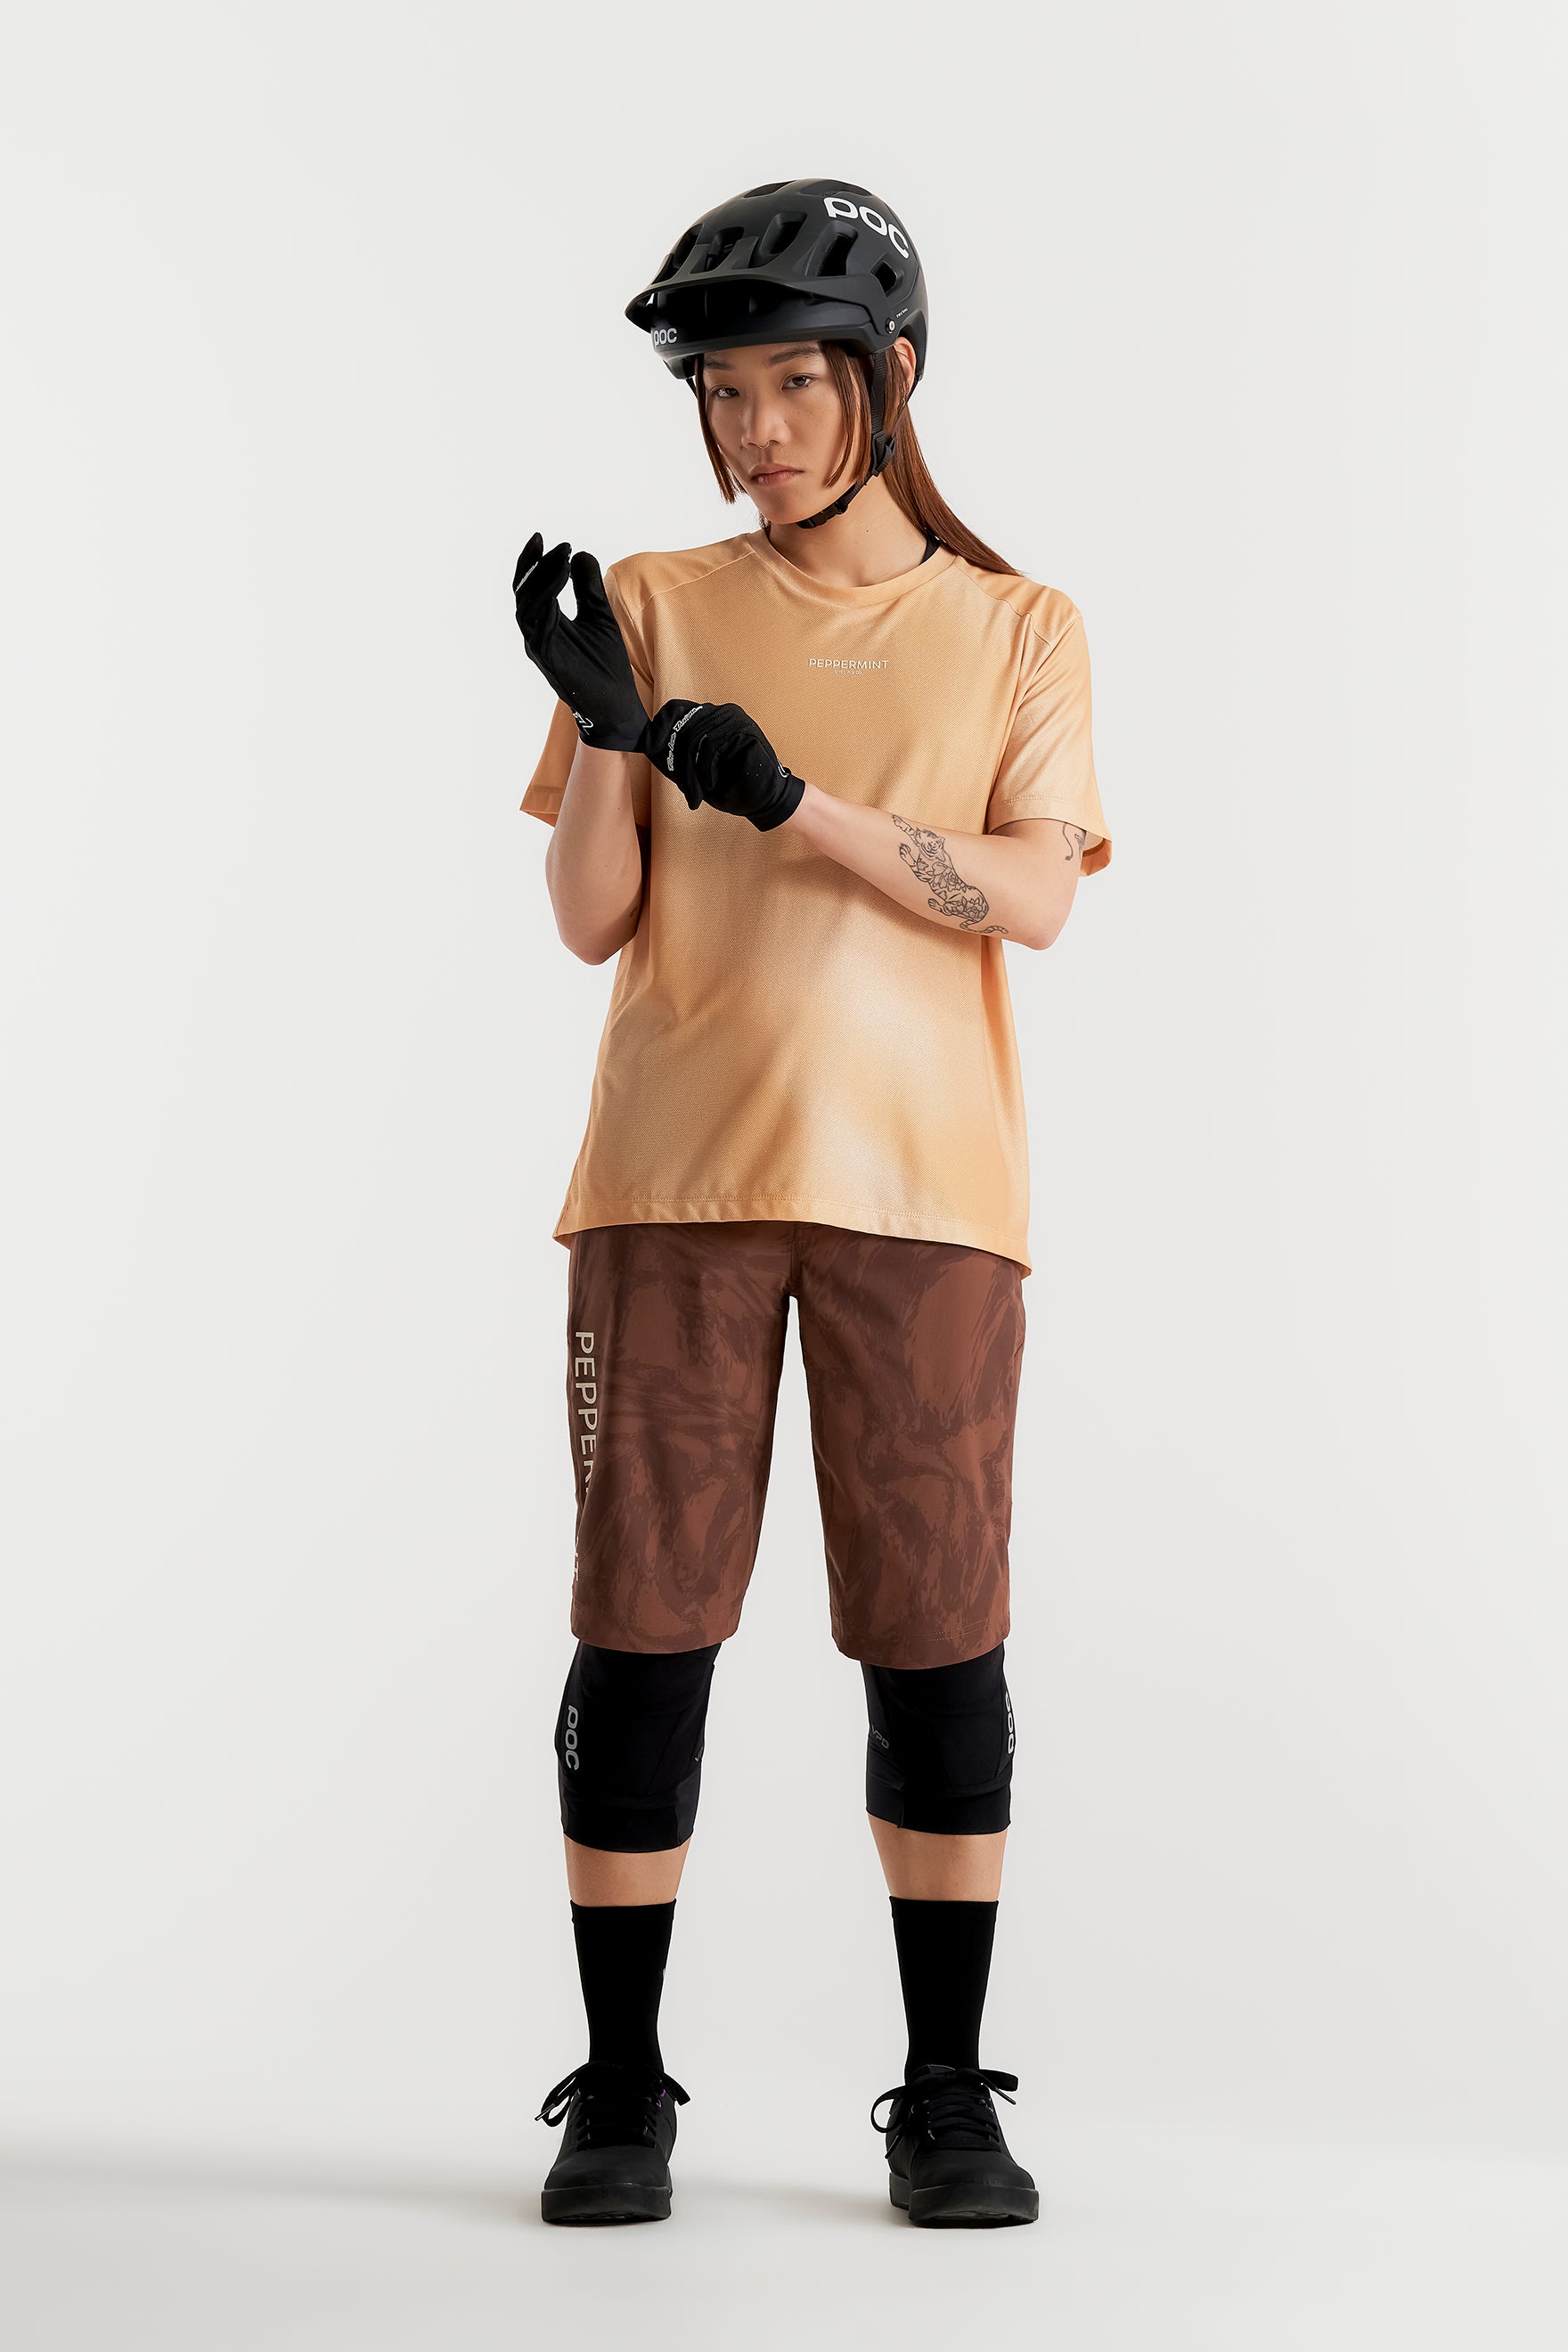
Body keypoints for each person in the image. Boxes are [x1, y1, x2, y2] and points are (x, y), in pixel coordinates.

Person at [512, 176, 1110, 2230]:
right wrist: (614, 730)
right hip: (670, 1179)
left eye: (791, 383)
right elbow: (593, 916)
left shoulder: (1018, 628)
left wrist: (796, 805)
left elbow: (1028, 894)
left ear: (890, 376)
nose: (752, 428)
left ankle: (945, 2094)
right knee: (640, 1625)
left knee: (936, 1638)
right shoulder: (656, 597)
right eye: (720, 391)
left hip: (927, 1192)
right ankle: (619, 2086)